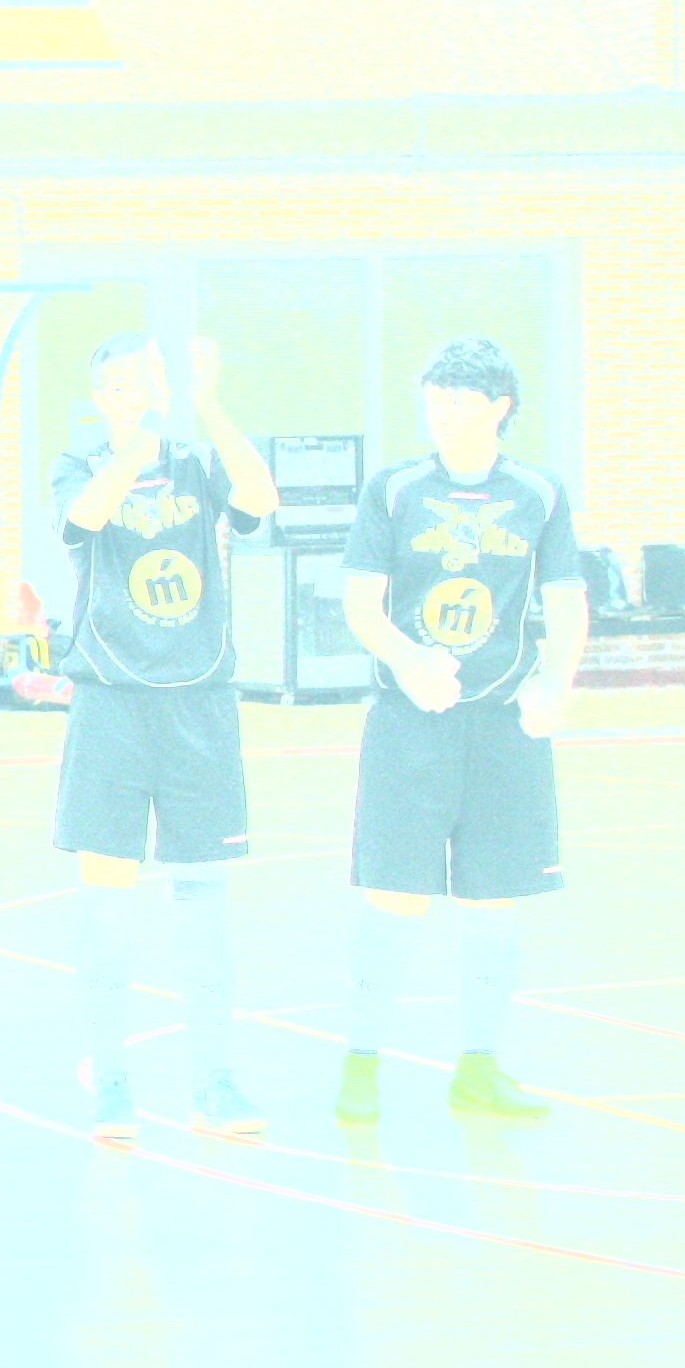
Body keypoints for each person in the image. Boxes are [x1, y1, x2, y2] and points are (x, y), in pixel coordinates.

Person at [334, 338, 586, 1123]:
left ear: (499, 407)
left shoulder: (539, 493)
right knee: (394, 900)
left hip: (503, 728)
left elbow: (567, 600)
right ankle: (360, 1067)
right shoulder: (395, 489)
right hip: (410, 725)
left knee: (492, 904)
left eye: (457, 401)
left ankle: (478, 1069)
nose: (439, 414)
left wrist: (556, 683)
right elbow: (359, 604)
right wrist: (410, 661)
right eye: (432, 399)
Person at [51, 332, 281, 1143]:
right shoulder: (78, 466)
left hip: (198, 704)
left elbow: (259, 497)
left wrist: (207, 404)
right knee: (106, 902)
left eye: (141, 382)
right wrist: (133, 450)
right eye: (115, 384)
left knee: (203, 899)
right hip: (112, 704)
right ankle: (112, 1082)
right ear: (98, 397)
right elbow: (83, 519)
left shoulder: (198, 462)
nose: (130, 393)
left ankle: (214, 1080)